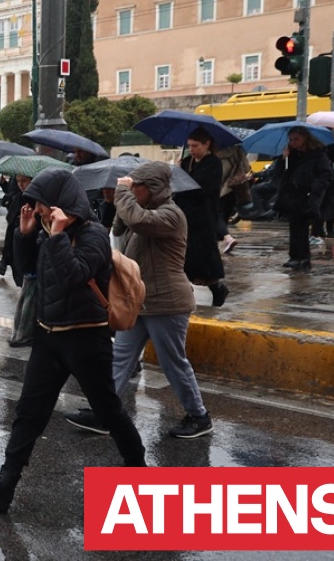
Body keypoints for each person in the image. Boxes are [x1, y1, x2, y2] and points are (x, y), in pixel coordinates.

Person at [0, 168, 145, 513]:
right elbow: (27, 272)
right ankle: (5, 482)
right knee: (29, 411)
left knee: (108, 411)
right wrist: (25, 235)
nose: (39, 210)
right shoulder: (47, 233)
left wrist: (57, 236)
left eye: (42, 205)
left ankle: (139, 471)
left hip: (86, 337)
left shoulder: (92, 236)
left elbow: (74, 276)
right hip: (49, 336)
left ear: (60, 204)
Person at [64, 162, 213, 439]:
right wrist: (119, 198)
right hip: (141, 300)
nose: (131, 192)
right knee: (120, 358)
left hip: (167, 302)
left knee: (173, 363)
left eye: (136, 188)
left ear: (151, 189)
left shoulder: (171, 214)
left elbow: (137, 222)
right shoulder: (145, 211)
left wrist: (122, 192)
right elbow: (121, 228)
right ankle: (104, 412)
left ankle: (199, 415)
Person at [177, 128, 229, 306]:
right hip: (184, 213)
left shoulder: (213, 163)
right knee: (185, 258)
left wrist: (184, 177)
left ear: (207, 144)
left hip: (203, 216)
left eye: (195, 146)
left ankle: (216, 288)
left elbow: (201, 187)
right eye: (189, 145)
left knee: (203, 259)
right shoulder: (185, 162)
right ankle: (190, 293)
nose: (192, 149)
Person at [272, 126, 334, 272]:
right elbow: (278, 174)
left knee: (302, 226)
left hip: (307, 195)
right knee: (294, 226)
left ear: (305, 138)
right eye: (291, 139)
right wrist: (283, 159)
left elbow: (326, 174)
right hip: (291, 195)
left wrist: (314, 189)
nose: (293, 142)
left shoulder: (318, 154)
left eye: (296, 139)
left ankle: (303, 257)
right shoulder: (292, 155)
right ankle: (295, 256)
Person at [8, 175, 41, 348]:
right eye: (18, 181)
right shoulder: (20, 202)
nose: (21, 185)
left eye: (24, 181)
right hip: (27, 266)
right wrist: (23, 232)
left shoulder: (45, 213)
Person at [217, 144, 251, 254]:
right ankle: (223, 241)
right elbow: (246, 167)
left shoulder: (213, 152)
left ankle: (227, 239)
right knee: (224, 216)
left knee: (215, 215)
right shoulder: (237, 148)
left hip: (219, 189)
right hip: (234, 187)